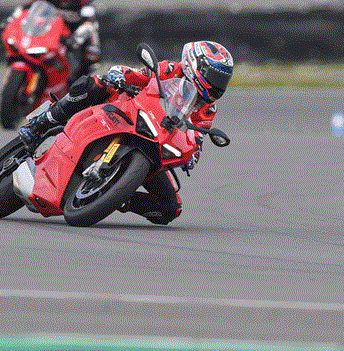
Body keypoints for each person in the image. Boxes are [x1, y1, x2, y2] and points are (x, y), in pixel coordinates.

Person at [18, 40, 234, 225]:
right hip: (126, 111)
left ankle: (120, 196)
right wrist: (118, 75)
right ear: (196, 66)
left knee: (170, 209)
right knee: (92, 84)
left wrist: (191, 156)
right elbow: (136, 74)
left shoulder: (208, 109)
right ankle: (41, 123)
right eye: (215, 76)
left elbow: (197, 139)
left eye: (222, 79)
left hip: (155, 142)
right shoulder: (169, 70)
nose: (218, 84)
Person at [19, 0, 101, 85]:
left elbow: (89, 17)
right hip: (49, 27)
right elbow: (28, 7)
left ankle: (79, 82)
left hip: (76, 30)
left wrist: (80, 33)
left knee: (92, 52)